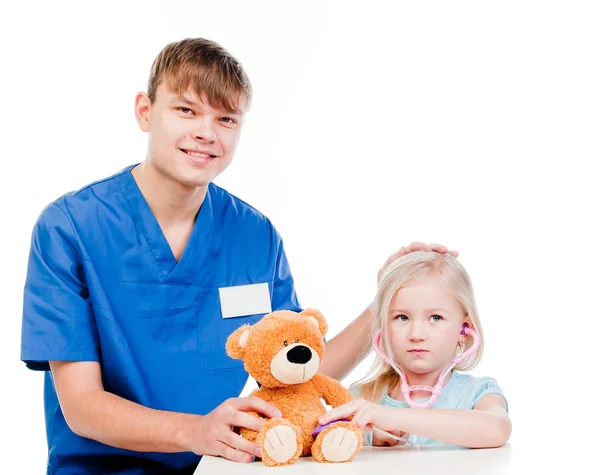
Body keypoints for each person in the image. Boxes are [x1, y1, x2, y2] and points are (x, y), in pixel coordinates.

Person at [20, 37, 456, 473]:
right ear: (145, 111)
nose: (206, 133)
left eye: (226, 118)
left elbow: (300, 368)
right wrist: (195, 431)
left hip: (225, 466)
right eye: (186, 110)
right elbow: (81, 406)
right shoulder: (70, 228)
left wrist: (385, 302)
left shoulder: (256, 237)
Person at [318, 251, 511, 449]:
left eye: (435, 318)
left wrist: (393, 417)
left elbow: (498, 429)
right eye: (402, 317)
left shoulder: (478, 393)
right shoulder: (361, 399)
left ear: (464, 329)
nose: (416, 334)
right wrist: (371, 442)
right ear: (382, 327)